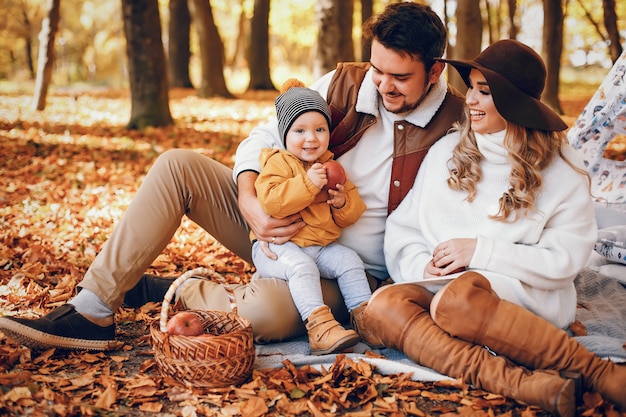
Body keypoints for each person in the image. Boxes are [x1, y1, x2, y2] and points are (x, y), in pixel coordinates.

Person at [0, 3, 464, 349]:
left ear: (434, 70)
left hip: (345, 270)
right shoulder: (346, 82)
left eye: (399, 77)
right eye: (378, 70)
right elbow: (265, 133)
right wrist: (249, 200)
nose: (382, 86)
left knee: (264, 315)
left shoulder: (458, 127)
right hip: (277, 222)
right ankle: (92, 311)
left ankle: (169, 289)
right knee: (177, 165)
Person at [362, 39, 626, 416]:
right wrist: (422, 266)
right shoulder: (446, 152)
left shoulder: (561, 168)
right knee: (383, 307)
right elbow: (404, 229)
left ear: (514, 102)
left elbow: (564, 259)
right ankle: (527, 386)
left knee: (458, 301)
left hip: (523, 293)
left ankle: (598, 373)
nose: (469, 99)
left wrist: (480, 250)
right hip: (443, 287)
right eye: (470, 87)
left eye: (484, 92)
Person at [252, 79, 370, 355]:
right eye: (300, 130)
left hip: (321, 247)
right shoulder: (277, 163)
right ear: (285, 135)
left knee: (350, 260)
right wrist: (307, 184)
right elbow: (272, 202)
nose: (311, 138)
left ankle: (366, 318)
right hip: (279, 248)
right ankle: (319, 328)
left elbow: (351, 215)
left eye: (320, 129)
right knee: (301, 268)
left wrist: (342, 203)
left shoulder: (331, 166)